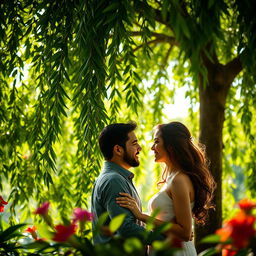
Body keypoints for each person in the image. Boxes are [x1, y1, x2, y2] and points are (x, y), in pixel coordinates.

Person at [116, 121, 216, 255]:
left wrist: (141, 216)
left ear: (171, 145)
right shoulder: (172, 178)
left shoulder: (178, 180)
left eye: (156, 141)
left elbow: (185, 232)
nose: (152, 147)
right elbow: (168, 219)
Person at [91, 121, 165, 245]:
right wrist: (165, 240)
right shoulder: (113, 180)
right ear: (118, 150)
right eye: (134, 143)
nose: (140, 148)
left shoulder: (115, 178)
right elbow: (126, 228)